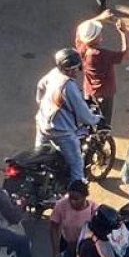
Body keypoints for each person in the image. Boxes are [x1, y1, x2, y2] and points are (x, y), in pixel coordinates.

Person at [35, 48, 100, 183]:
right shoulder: (68, 86)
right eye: (74, 69)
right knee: (76, 164)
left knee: (39, 157)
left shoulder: (54, 73)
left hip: (42, 124)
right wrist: (96, 119)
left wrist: (42, 104)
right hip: (61, 131)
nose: (76, 72)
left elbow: (40, 86)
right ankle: (76, 190)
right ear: (67, 69)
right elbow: (83, 114)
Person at [75, 14, 129, 126]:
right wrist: (123, 33)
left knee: (89, 119)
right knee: (103, 124)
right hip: (104, 95)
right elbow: (126, 55)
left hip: (89, 91)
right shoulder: (101, 55)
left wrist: (99, 18)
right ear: (96, 38)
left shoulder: (81, 48)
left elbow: (80, 29)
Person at [48, 180, 95, 257]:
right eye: (70, 198)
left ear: (84, 197)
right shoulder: (61, 205)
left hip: (85, 248)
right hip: (66, 244)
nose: (72, 202)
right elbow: (53, 227)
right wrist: (56, 251)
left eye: (76, 199)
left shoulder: (93, 210)